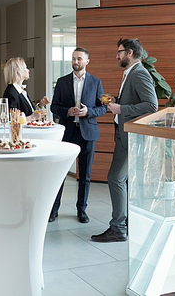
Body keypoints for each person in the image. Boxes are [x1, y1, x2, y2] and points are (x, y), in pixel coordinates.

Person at [91, 38, 158, 242]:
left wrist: (122, 109)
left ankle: (119, 228)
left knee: (116, 178)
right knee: (120, 179)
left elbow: (152, 105)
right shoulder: (130, 73)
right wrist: (117, 102)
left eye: (119, 52)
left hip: (131, 136)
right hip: (124, 135)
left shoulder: (139, 74)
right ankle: (125, 224)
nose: (116, 55)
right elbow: (135, 102)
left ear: (129, 53)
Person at [49, 47, 107, 223]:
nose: (76, 62)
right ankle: (54, 209)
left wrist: (88, 112)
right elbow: (54, 107)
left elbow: (103, 107)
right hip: (67, 132)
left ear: (87, 61)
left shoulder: (96, 82)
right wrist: (68, 111)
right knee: (60, 173)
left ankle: (82, 210)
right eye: (74, 59)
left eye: (79, 59)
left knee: (85, 174)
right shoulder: (62, 81)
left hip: (87, 133)